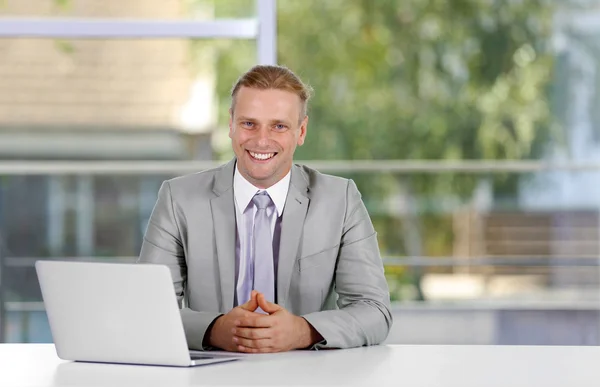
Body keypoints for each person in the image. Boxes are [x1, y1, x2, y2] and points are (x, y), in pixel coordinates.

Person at [138, 65, 392, 353]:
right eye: (249, 124)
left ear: (301, 131)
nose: (261, 140)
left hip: (309, 374)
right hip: (210, 376)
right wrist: (214, 330)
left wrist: (303, 331)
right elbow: (149, 312)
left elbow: (374, 311)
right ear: (231, 124)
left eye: (279, 126)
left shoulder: (340, 199)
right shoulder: (177, 199)